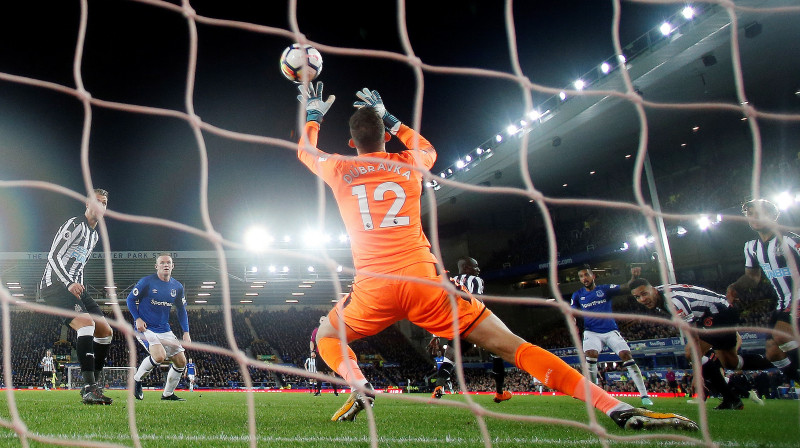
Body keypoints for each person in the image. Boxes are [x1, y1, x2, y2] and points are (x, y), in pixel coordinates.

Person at [294, 82, 697, 431]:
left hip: (374, 288)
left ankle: (359, 384)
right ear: (385, 137)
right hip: (426, 283)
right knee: (514, 347)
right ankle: (615, 407)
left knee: (326, 336)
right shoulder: (409, 164)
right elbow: (427, 148)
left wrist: (313, 114)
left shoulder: (339, 168)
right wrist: (391, 118)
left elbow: (305, 151)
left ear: (352, 143)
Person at [630, 278, 772, 409]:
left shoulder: (674, 302)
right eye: (637, 297)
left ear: (654, 290)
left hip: (720, 313)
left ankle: (734, 397)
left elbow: (694, 338)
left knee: (691, 352)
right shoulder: (660, 298)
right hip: (710, 315)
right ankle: (771, 364)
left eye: (644, 294)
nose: (642, 299)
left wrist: (697, 376)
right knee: (730, 362)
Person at [39, 188, 113, 404]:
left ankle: (93, 386)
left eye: (104, 203)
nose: (100, 205)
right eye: (96, 201)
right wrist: (69, 282)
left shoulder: (94, 235)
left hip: (74, 286)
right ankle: (89, 388)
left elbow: (79, 265)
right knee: (87, 324)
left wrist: (78, 285)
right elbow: (53, 255)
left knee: (105, 331)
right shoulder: (75, 225)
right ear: (87, 204)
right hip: (55, 285)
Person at [727, 199, 800, 385]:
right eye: (750, 214)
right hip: (783, 303)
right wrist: (735, 287)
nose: (754, 217)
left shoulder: (791, 241)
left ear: (773, 216)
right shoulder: (751, 247)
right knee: (773, 352)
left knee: (781, 334)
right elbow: (752, 276)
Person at [430, 256, 511, 403]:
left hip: (457, 325)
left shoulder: (450, 281)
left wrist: (435, 334)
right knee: (497, 354)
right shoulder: (475, 280)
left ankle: (438, 388)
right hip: (475, 321)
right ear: (466, 268)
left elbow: (441, 306)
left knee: (449, 358)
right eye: (476, 266)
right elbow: (476, 301)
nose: (478, 269)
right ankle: (499, 393)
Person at [570, 265, 653, 406]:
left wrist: (634, 277)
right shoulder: (577, 295)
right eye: (581, 276)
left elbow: (626, 287)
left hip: (610, 331)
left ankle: (645, 396)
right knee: (590, 354)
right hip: (591, 332)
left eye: (586, 275)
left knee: (626, 355)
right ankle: (592, 395)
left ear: (593, 276)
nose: (584, 278)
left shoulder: (605, 289)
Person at [126, 253, 190, 401]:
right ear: (156, 266)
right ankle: (136, 380)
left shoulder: (177, 287)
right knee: (159, 356)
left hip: (164, 329)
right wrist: (137, 319)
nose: (165, 265)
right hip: (146, 328)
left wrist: (186, 331)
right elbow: (130, 299)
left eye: (168, 262)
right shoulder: (147, 282)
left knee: (181, 362)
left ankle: (167, 394)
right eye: (162, 263)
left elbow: (181, 310)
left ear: (173, 266)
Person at [310, 316, 339, 396]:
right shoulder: (316, 331)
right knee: (319, 373)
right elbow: (312, 341)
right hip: (319, 354)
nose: (323, 321)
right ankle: (318, 392)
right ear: (320, 321)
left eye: (324, 320)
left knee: (331, 373)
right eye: (322, 320)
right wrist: (312, 351)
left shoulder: (331, 330)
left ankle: (335, 392)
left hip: (329, 354)